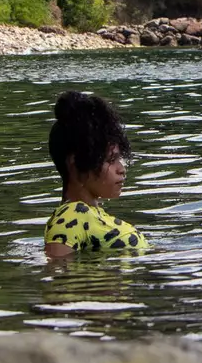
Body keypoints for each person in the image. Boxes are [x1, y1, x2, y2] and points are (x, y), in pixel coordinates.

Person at [44, 91, 150, 258]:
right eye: (110, 160)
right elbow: (59, 275)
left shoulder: (89, 214)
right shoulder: (71, 217)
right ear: (76, 163)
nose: (121, 169)